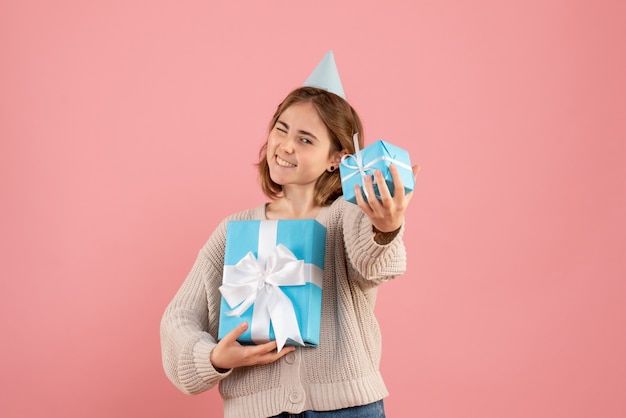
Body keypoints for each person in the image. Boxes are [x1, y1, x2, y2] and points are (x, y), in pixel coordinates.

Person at [160, 52, 419, 418]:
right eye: (281, 129)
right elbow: (178, 319)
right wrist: (214, 357)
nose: (285, 146)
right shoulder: (233, 230)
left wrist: (386, 228)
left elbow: (371, 265)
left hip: (347, 407)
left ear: (338, 158)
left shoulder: (349, 216)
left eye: (306, 139)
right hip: (256, 410)